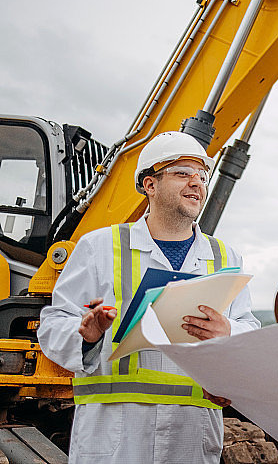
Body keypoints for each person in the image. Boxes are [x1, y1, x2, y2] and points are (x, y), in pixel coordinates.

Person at [38, 131, 261, 464]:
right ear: (150, 185)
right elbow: (53, 323)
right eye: (182, 173)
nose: (197, 182)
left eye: (202, 176)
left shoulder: (226, 257)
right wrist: (86, 336)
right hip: (116, 435)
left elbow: (250, 332)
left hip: (191, 436)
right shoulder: (100, 247)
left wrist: (228, 330)